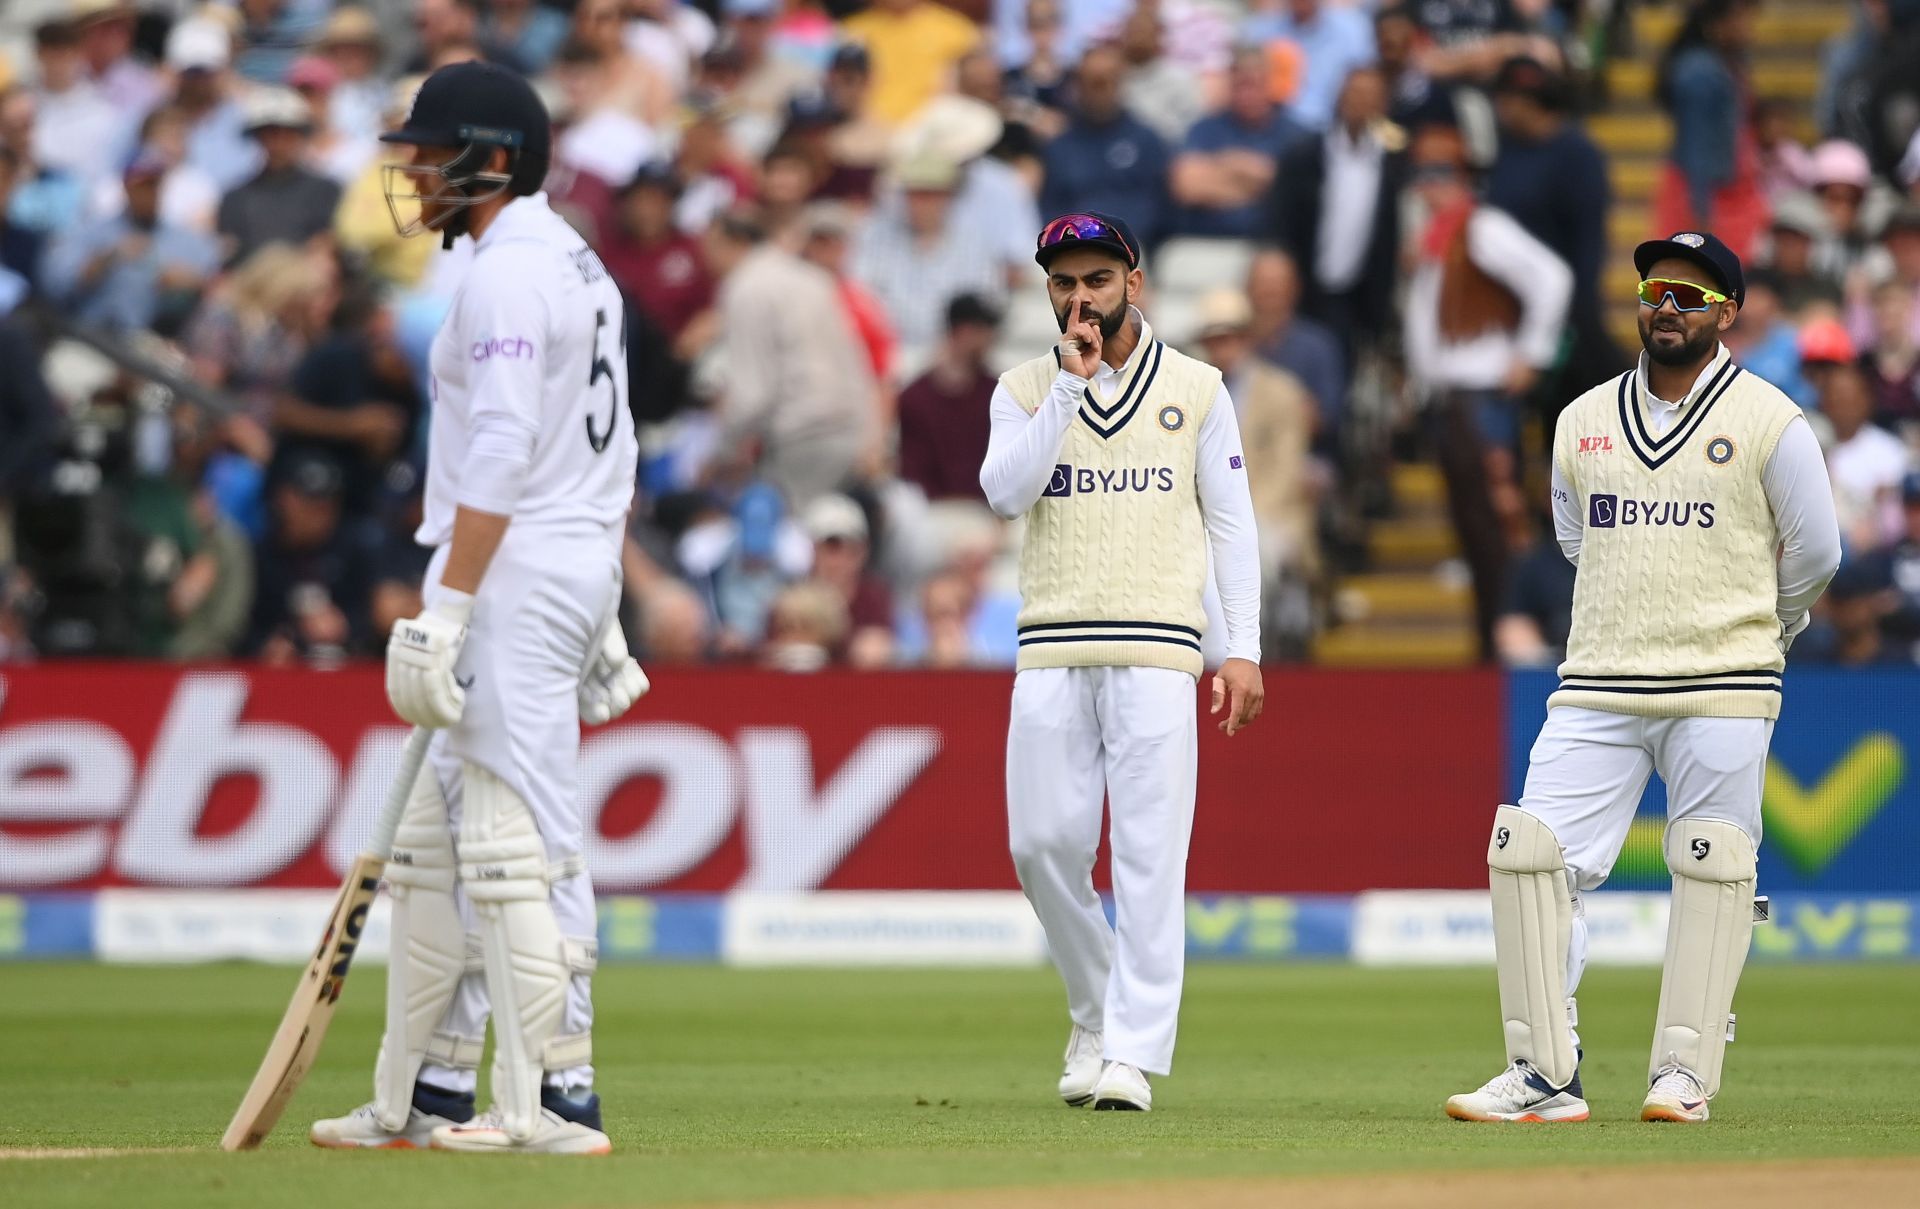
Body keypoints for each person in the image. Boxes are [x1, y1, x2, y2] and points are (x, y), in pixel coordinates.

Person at [307, 60, 648, 1156]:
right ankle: (437, 1086)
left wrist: (452, 605)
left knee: (524, 839)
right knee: (445, 844)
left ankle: (560, 1092)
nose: (412, 172)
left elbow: (503, 447)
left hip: (513, 568)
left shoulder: (509, 275)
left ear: (490, 159)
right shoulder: (569, 258)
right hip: (549, 560)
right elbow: (608, 437)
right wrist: (596, 593)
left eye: (427, 152)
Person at [1446, 231, 1841, 1125]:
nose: (1669, 307)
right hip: (1598, 679)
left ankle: (1683, 1075)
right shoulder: (1581, 417)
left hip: (1724, 679)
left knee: (1712, 864)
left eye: (1692, 297)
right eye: (1658, 290)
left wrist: (1761, 624)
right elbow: (1576, 540)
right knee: (1530, 854)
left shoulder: (1771, 419)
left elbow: (1817, 552)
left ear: (1727, 314)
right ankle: (1543, 1073)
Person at [979, 212, 1264, 1112]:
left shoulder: (1198, 388)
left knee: (1148, 856)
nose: (1079, 298)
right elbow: (1001, 493)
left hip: (1156, 647)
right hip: (1053, 642)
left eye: (1096, 280)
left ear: (1132, 284)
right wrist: (1068, 390)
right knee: (1041, 845)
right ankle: (1095, 1006)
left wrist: (1244, 647)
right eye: (1064, 283)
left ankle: (1132, 1053)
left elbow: (1232, 522)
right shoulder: (1025, 387)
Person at [704, 207, 879, 507]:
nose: (705, 258)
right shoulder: (813, 278)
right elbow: (857, 366)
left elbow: (753, 395)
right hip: (850, 433)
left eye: (709, 247)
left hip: (801, 438)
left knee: (794, 540)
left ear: (731, 243)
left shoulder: (746, 287)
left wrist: (721, 454)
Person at [897, 293, 1000, 504]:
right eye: (983, 330)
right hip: (930, 511)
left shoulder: (998, 392)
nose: (990, 338)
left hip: (987, 512)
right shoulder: (915, 397)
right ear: (963, 331)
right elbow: (912, 471)